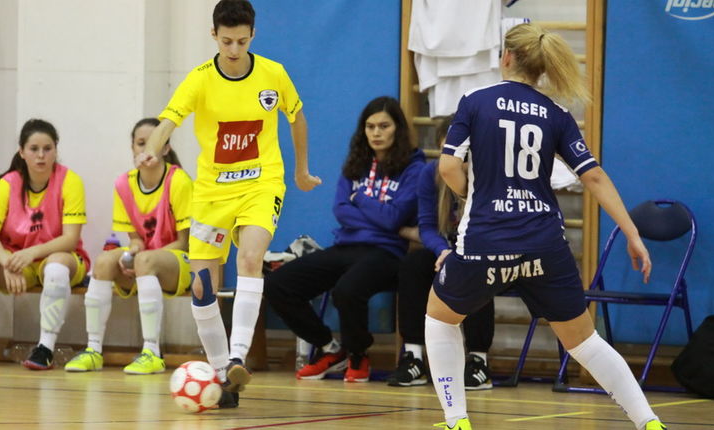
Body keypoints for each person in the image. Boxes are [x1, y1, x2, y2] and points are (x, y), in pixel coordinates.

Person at [425, 24, 666, 430]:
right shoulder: (557, 114)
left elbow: (448, 165)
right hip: (544, 243)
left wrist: (471, 196)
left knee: (439, 318)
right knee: (585, 342)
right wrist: (632, 233)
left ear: (506, 57)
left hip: (486, 239)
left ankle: (456, 420)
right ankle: (648, 421)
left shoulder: (475, 101)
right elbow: (593, 177)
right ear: (542, 68)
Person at [141, 0, 320, 399]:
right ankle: (223, 374)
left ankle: (237, 355)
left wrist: (301, 170)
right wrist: (153, 149)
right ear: (214, 36)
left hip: (262, 183)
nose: (235, 50)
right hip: (212, 191)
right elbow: (167, 121)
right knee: (203, 285)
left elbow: (298, 117)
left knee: (251, 257)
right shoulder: (200, 78)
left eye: (241, 41)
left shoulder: (273, 74)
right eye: (227, 42)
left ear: (253, 35)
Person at [265, 96, 425, 383]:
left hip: (386, 252)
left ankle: (358, 355)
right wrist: (383, 216)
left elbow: (396, 216)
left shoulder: (414, 167)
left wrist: (360, 198)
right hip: (347, 246)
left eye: (384, 126)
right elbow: (342, 211)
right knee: (278, 284)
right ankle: (330, 348)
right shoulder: (356, 163)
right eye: (370, 126)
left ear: (397, 129)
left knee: (347, 290)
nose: (376, 133)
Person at [0, 119, 89, 369]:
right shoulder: (8, 183)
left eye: (48, 148)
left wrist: (31, 252)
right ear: (22, 152)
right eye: (34, 149)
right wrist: (6, 262)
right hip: (17, 262)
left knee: (55, 267)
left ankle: (45, 348)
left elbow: (70, 239)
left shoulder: (70, 181)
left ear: (56, 150)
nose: (41, 155)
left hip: (61, 257)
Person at [65, 118, 193, 375]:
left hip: (179, 263)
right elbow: (136, 238)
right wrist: (133, 250)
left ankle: (152, 352)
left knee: (144, 261)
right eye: (141, 144)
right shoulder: (124, 184)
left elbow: (184, 242)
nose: (146, 150)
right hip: (145, 261)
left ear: (166, 148)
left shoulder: (178, 181)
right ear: (133, 149)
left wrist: (144, 257)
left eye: (153, 144)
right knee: (103, 261)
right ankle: (93, 350)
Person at [389, 117, 495, 390]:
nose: (457, 156)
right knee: (413, 265)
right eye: (449, 149)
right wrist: (443, 251)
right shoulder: (430, 174)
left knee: (476, 268)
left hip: (481, 250)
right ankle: (413, 357)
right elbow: (426, 225)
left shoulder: (488, 175)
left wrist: (462, 252)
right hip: (444, 250)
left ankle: (478, 360)